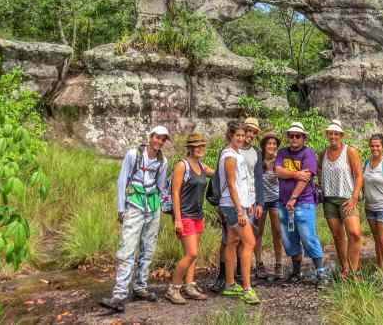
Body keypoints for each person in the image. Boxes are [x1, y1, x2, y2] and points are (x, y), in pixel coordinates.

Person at [100, 126, 170, 312]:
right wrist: (121, 208)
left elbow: (161, 186)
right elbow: (123, 180)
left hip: (153, 207)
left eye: (163, 139)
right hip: (134, 204)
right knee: (127, 248)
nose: (159, 141)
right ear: (150, 137)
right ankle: (120, 295)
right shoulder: (133, 155)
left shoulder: (163, 161)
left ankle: (140, 287)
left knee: (148, 249)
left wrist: (163, 208)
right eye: (157, 137)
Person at [212, 117, 264, 290]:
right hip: (233, 206)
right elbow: (232, 184)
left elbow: (244, 182)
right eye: (238, 136)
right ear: (230, 136)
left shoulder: (237, 153)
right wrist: (240, 210)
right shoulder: (229, 156)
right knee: (249, 242)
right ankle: (247, 288)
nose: (241, 138)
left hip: (238, 204)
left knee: (232, 242)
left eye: (243, 135)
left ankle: (229, 284)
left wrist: (249, 202)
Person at [275, 121, 329, 286]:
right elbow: (277, 170)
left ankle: (321, 273)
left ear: (303, 138)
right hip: (283, 204)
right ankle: (296, 271)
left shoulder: (308, 154)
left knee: (308, 237)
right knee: (289, 238)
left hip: (303, 203)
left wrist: (293, 198)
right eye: (291, 136)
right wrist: (296, 173)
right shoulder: (282, 152)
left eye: (297, 136)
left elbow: (305, 179)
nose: (294, 138)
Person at [165, 133, 216, 305]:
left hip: (197, 215)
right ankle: (173, 289)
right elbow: (175, 193)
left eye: (202, 145)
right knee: (191, 253)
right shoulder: (182, 165)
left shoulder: (201, 166)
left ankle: (189, 285)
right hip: (184, 215)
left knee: (194, 255)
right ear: (190, 148)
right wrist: (177, 219)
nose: (200, 148)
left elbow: (217, 174)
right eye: (197, 145)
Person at [319, 120, 363, 277]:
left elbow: (358, 176)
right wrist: (320, 188)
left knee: (355, 233)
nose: (333, 136)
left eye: (336, 133)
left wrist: (354, 197)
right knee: (338, 236)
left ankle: (354, 269)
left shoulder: (350, 151)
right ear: (327, 135)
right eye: (330, 133)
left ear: (341, 135)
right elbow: (320, 171)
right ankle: (344, 269)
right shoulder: (323, 153)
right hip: (329, 200)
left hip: (347, 198)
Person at [363, 134, 383, 287]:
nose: (375, 148)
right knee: (376, 241)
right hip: (369, 207)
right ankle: (380, 270)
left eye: (378, 146)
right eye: (373, 146)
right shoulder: (366, 163)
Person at [255, 131, 285, 281]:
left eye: (274, 144)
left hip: (276, 199)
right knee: (258, 233)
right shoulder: (257, 159)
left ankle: (279, 263)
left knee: (277, 232)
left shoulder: (280, 160)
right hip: (260, 200)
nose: (271, 146)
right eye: (269, 143)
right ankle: (259, 263)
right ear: (264, 145)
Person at [240, 118, 266, 278]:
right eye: (248, 130)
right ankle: (227, 275)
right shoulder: (231, 149)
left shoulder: (256, 152)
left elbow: (258, 178)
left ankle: (245, 273)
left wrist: (260, 203)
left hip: (250, 200)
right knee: (231, 239)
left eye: (253, 132)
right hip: (234, 200)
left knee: (249, 237)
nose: (250, 134)